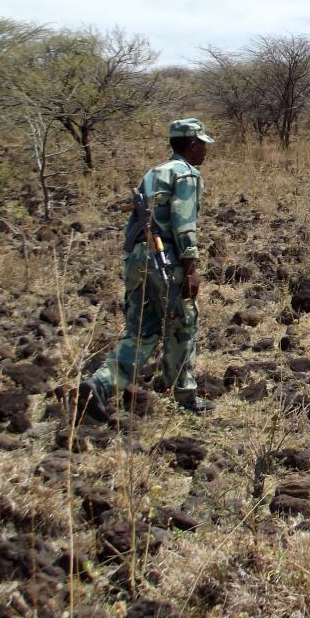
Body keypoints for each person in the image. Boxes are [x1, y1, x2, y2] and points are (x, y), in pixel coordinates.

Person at [77, 118, 216, 420]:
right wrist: (190, 266)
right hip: (165, 256)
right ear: (192, 144)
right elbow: (183, 222)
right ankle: (184, 394)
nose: (205, 150)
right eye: (202, 144)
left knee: (141, 330)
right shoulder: (186, 175)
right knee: (183, 324)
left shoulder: (153, 173)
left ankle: (101, 384)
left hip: (137, 256)